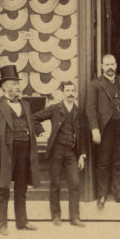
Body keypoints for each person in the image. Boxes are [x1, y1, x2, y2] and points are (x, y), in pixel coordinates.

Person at [0, 65, 40, 235]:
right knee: (3, 188)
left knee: (22, 188)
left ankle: (22, 222)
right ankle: (2, 224)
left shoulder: (25, 104)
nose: (16, 86)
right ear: (4, 86)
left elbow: (31, 123)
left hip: (25, 151)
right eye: (13, 83)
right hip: (6, 152)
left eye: (17, 83)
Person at [33, 81, 87, 227]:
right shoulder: (55, 108)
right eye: (67, 90)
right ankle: (56, 216)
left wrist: (82, 155)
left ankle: (75, 218)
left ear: (75, 93)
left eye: (72, 91)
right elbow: (34, 118)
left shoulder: (78, 111)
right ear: (63, 93)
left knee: (75, 184)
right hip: (56, 151)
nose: (70, 93)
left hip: (71, 153)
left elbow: (82, 135)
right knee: (55, 184)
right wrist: (42, 133)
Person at [86, 54, 120, 208]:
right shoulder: (94, 84)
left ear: (116, 65)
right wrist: (94, 129)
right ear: (102, 66)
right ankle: (102, 195)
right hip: (105, 127)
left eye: (112, 64)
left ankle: (119, 194)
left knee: (119, 160)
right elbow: (91, 109)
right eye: (106, 65)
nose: (110, 67)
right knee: (103, 162)